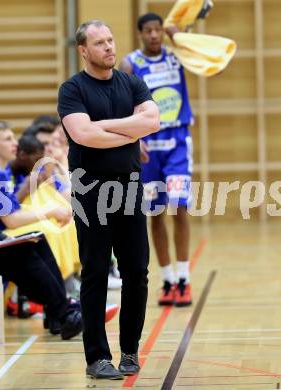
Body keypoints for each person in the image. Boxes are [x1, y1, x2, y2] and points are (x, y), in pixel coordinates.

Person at [57, 20, 160, 379]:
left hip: (129, 186)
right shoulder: (72, 89)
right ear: (83, 50)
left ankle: (129, 352)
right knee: (96, 271)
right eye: (100, 43)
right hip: (90, 189)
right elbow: (82, 135)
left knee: (137, 271)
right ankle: (97, 358)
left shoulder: (131, 82)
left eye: (111, 40)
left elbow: (152, 122)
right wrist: (127, 128)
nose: (109, 48)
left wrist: (104, 129)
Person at [0, 144, 82, 340]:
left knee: (35, 240)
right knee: (20, 252)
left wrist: (8, 240)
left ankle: (58, 313)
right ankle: (64, 311)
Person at [120, 13, 194, 307]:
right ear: (140, 34)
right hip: (149, 144)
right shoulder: (130, 64)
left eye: (158, 31)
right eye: (148, 31)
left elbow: (209, 65)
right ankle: (167, 280)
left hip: (176, 143)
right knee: (156, 211)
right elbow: (125, 106)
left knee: (179, 205)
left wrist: (180, 37)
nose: (154, 35)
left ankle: (184, 278)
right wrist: (133, 139)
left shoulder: (177, 56)